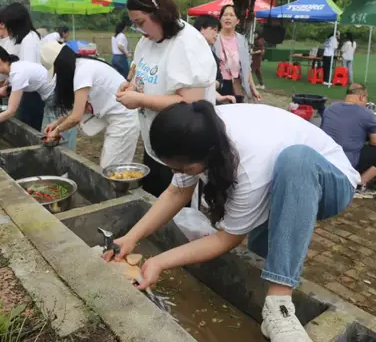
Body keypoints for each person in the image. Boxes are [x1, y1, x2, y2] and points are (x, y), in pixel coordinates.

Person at [103, 101, 359, 342]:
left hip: (328, 180)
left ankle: (279, 306)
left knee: (296, 161)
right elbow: (177, 192)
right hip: (275, 180)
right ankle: (272, 301)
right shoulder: (200, 132)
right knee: (263, 258)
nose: (178, 175)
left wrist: (158, 261)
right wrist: (131, 237)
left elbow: (227, 239)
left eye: (184, 169)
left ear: (209, 155)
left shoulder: (248, 163)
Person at [115, 0, 217, 198]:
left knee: (175, 214)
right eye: (135, 25)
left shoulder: (187, 44)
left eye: (141, 23)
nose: (140, 31)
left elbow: (191, 103)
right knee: (152, 200)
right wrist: (130, 88)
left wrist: (140, 100)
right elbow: (140, 77)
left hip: (182, 151)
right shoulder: (147, 42)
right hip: (155, 145)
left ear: (159, 13)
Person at [41, 42, 139, 165]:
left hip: (124, 119)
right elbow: (81, 108)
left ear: (60, 64)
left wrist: (57, 130)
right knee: (111, 167)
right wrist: (56, 123)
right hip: (114, 116)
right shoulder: (81, 65)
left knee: (110, 168)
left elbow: (76, 117)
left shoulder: (81, 73)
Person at [321, 83, 376, 198]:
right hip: (346, 161)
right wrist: (367, 141)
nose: (366, 102)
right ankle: (356, 185)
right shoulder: (366, 113)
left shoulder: (331, 107)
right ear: (361, 96)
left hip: (325, 157)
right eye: (366, 98)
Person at [2, 3, 45, 130]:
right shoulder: (27, 37)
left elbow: (25, 72)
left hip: (33, 92)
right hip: (29, 89)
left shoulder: (29, 40)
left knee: (29, 126)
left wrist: (8, 87)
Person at [214, 5, 262, 103]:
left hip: (237, 84)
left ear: (237, 21)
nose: (228, 17)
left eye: (231, 15)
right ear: (220, 19)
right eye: (225, 15)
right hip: (218, 85)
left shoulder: (241, 40)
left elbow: (246, 67)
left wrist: (253, 88)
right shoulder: (214, 39)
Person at [193, 15, 236, 104]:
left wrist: (219, 97)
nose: (216, 35)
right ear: (202, 29)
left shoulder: (212, 56)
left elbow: (215, 81)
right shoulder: (188, 52)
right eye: (214, 30)